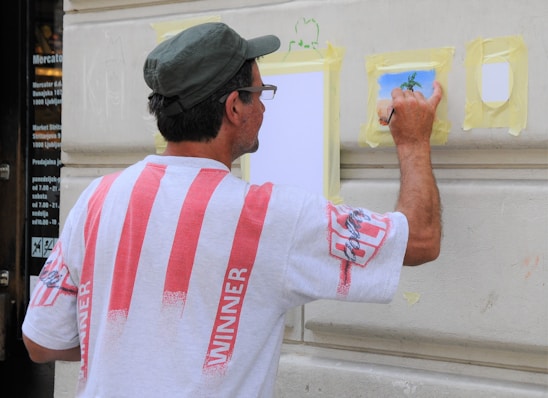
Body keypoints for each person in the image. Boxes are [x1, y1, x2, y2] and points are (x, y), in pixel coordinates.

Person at [22, 22, 442, 397]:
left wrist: (133, 341)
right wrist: (411, 142)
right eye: (260, 93)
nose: (264, 107)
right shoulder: (269, 217)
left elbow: (41, 342)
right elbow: (420, 239)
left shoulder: (97, 199)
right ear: (234, 107)